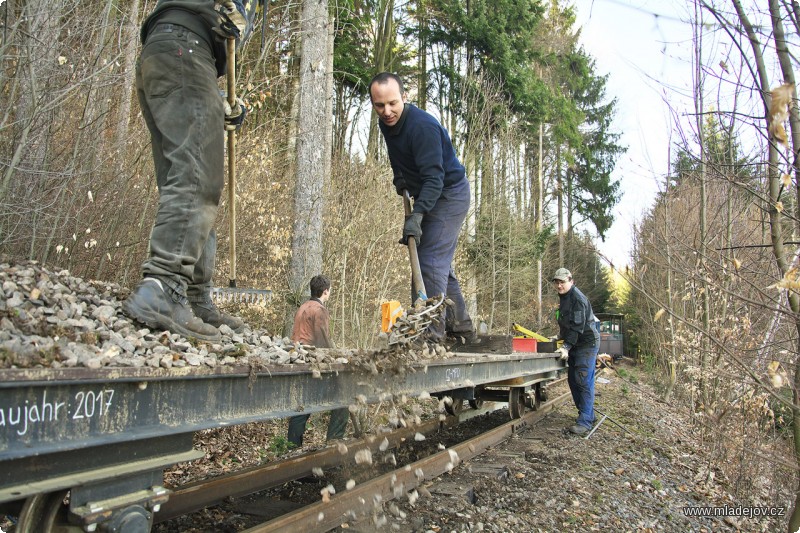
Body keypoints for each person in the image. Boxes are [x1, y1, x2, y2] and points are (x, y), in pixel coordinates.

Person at [123, 1, 255, 341]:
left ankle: (193, 297)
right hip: (186, 49)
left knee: (186, 177)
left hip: (174, 52)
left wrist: (226, 100)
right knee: (197, 178)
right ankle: (164, 284)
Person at [368, 72, 474, 343]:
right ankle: (460, 325)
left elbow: (434, 178)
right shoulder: (387, 123)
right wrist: (399, 175)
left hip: (449, 193)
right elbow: (397, 154)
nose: (387, 111)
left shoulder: (422, 127)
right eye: (380, 106)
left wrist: (417, 215)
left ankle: (430, 335)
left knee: (429, 261)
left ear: (404, 97)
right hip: (430, 192)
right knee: (438, 262)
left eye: (393, 103)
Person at [287, 275, 350, 447]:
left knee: (302, 406)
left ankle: (291, 448)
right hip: (313, 363)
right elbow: (322, 341)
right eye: (329, 291)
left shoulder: (302, 307)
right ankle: (333, 446)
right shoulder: (320, 310)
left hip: (299, 361)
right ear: (325, 291)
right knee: (344, 401)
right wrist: (338, 357)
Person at [552, 267, 600, 436]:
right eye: (557, 282)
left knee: (582, 380)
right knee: (573, 380)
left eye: (562, 282)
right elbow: (568, 322)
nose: (559, 286)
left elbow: (578, 326)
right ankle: (588, 414)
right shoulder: (564, 297)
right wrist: (559, 336)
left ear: (571, 281)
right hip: (575, 343)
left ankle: (585, 421)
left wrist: (566, 346)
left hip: (586, 344)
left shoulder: (577, 298)